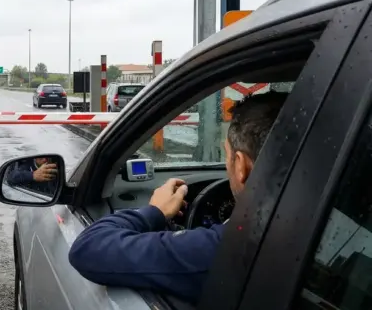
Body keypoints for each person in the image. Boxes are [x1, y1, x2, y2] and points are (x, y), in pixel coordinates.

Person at [68, 91, 289, 304]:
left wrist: (155, 212)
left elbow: (87, 248)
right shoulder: (304, 232)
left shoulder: (227, 250)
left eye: (227, 155)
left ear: (241, 166)